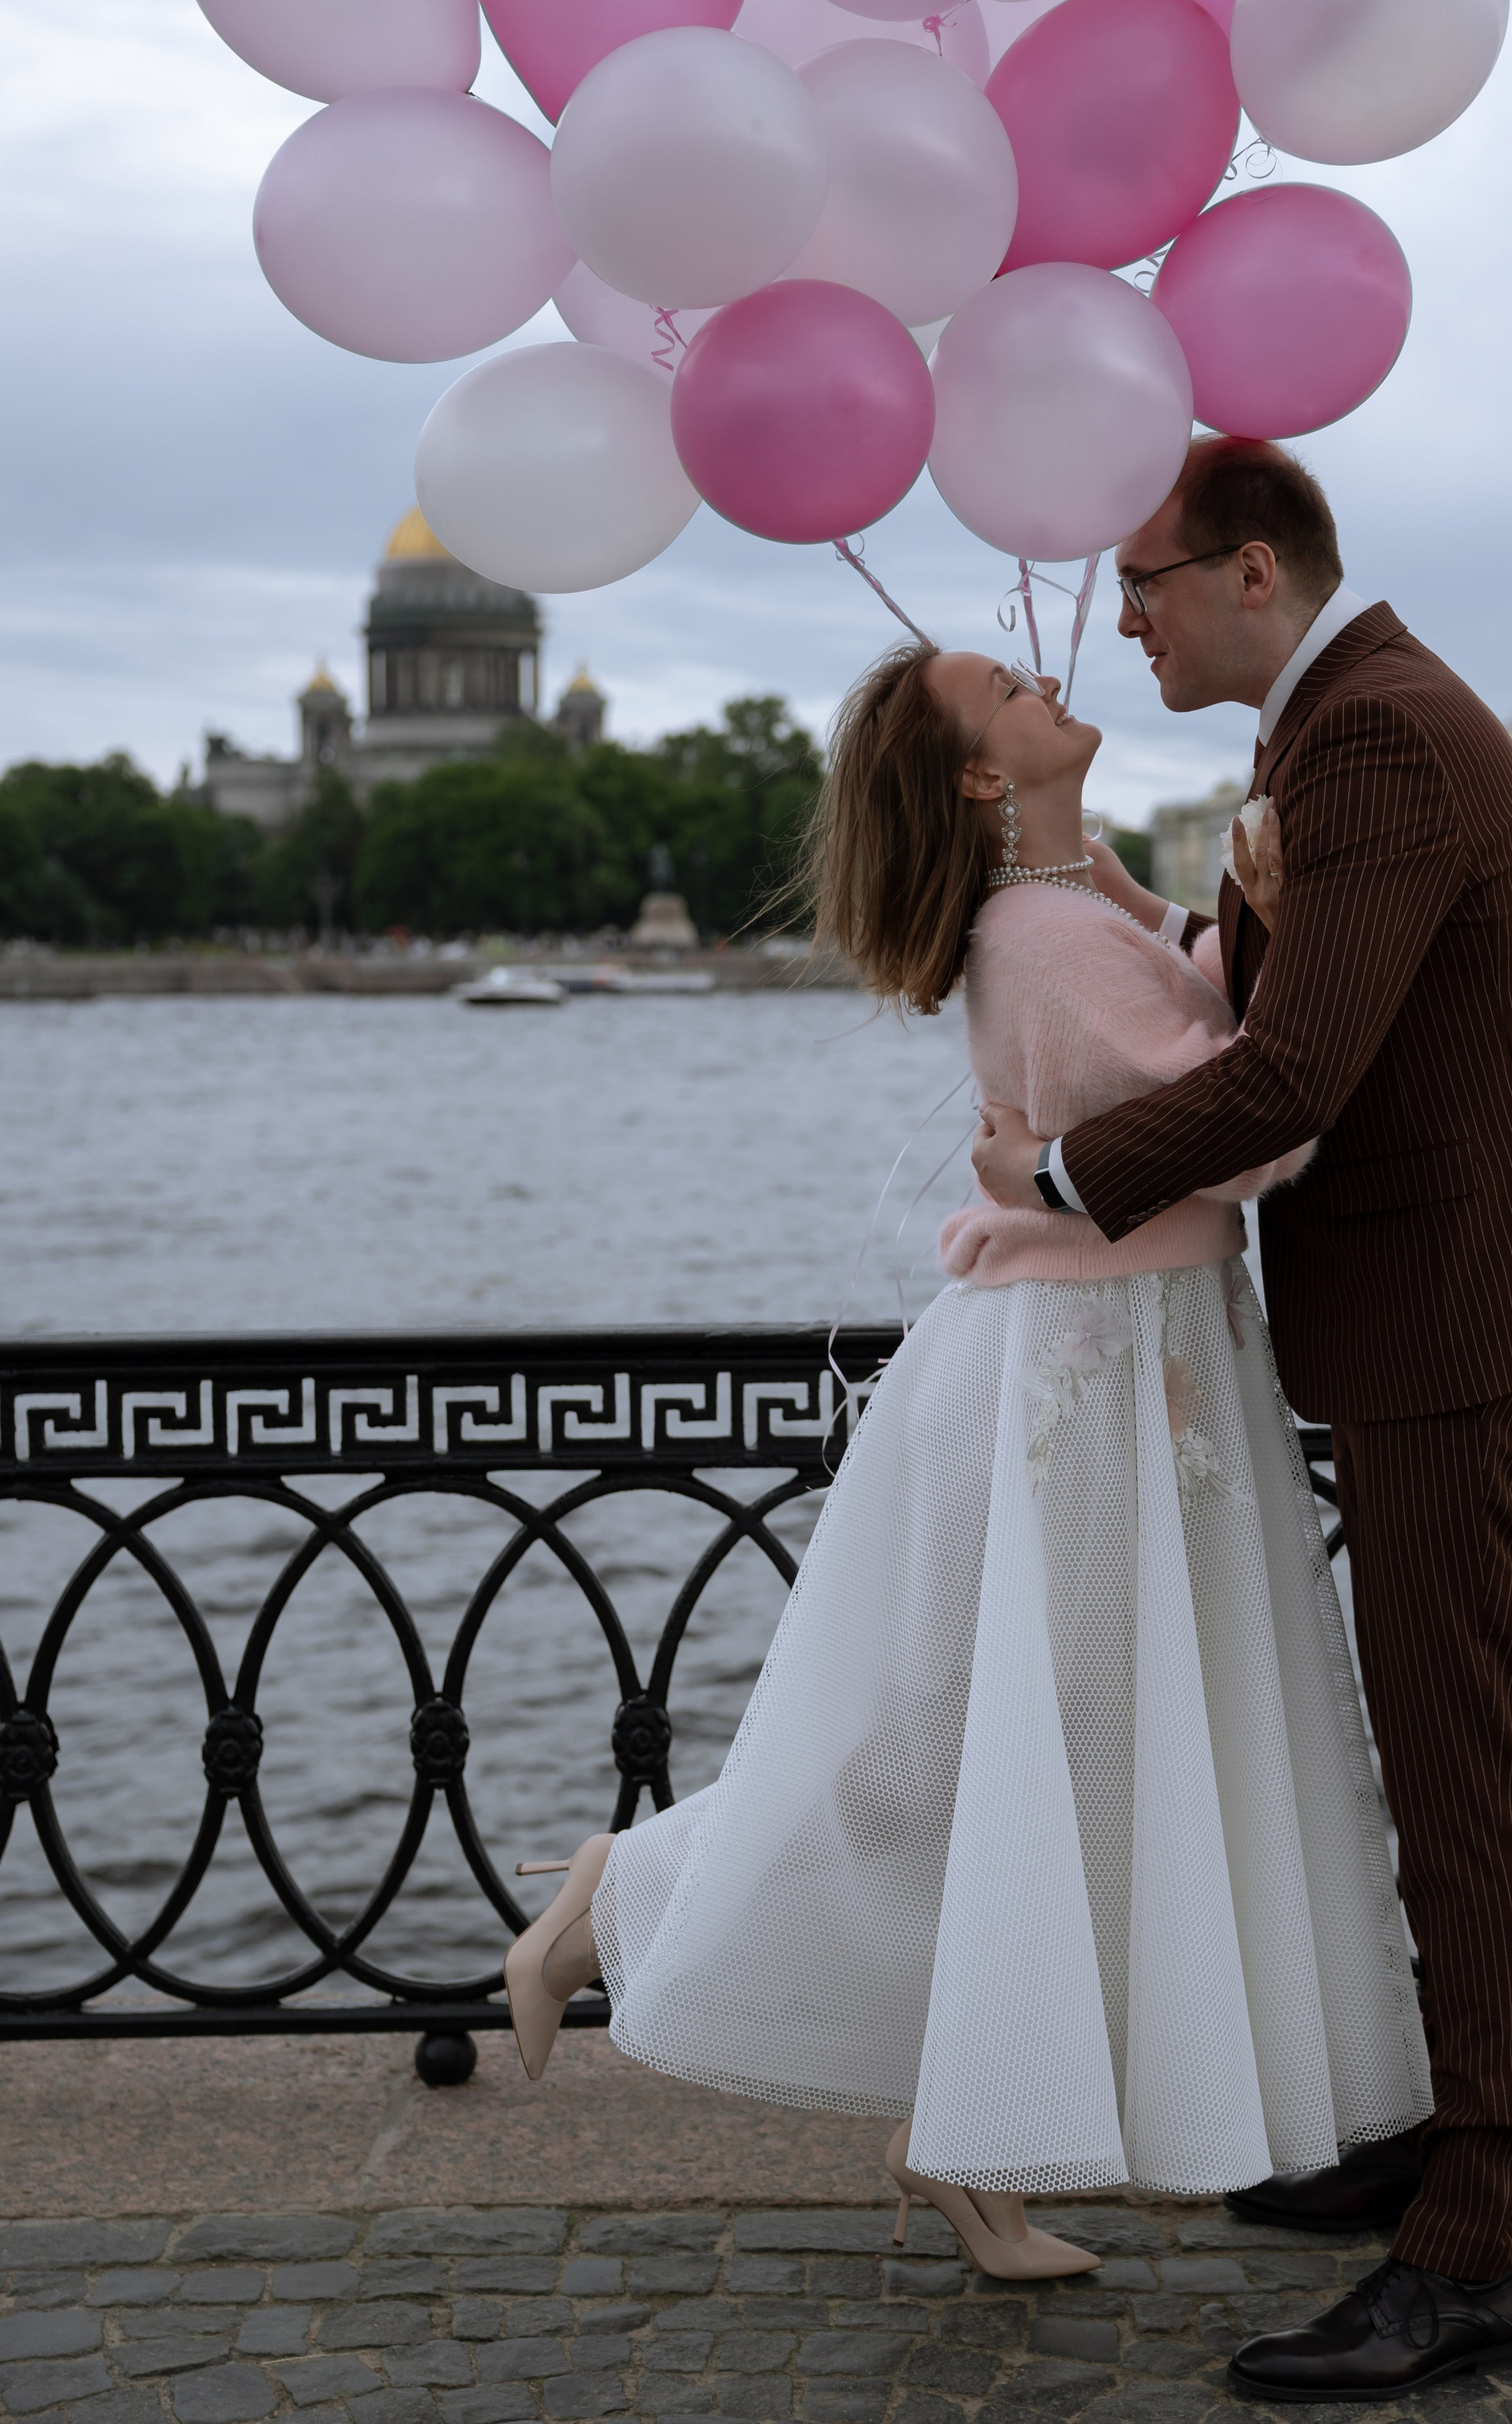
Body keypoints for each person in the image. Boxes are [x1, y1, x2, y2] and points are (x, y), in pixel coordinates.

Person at [504, 632, 1432, 2287]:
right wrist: (1261, 955)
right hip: (1089, 1378)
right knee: (1009, 1754)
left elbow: (1196, 1026)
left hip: (1117, 1365)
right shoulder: (1044, 933)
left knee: (1014, 1751)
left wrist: (1249, 918)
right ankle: (637, 1910)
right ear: (984, 781)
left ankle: (947, 2129)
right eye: (1008, 688)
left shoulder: (1087, 905)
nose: (1048, 676)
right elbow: (1265, 1117)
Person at [972, 436, 1512, 2401]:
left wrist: (1051, 1181)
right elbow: (1307, 1006)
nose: (1122, 617)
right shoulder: (1340, 723)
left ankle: (1473, 2251)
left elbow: (1291, 1082)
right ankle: (1448, 2143)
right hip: (1444, 1309)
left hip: (1464, 1322)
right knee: (1446, 1758)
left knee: (1467, 1778)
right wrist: (1215, 907)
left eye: (1148, 583)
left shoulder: (1371, 737)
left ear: (1251, 571)